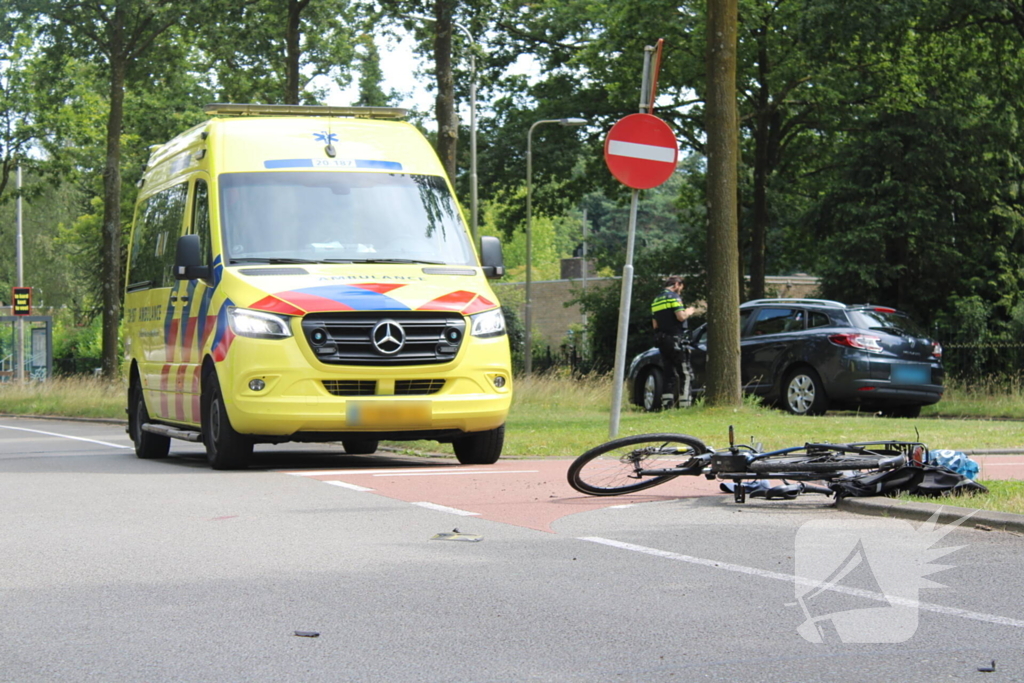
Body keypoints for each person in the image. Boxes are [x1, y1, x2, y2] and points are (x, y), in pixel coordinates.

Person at [651, 275, 698, 408]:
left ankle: (667, 405)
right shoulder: (674, 297)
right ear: (677, 284)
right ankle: (685, 405)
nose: (681, 291)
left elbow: (655, 325)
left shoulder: (656, 300)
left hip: (662, 341)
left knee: (668, 373)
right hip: (677, 339)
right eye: (681, 287)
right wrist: (689, 311)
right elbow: (681, 317)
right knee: (686, 373)